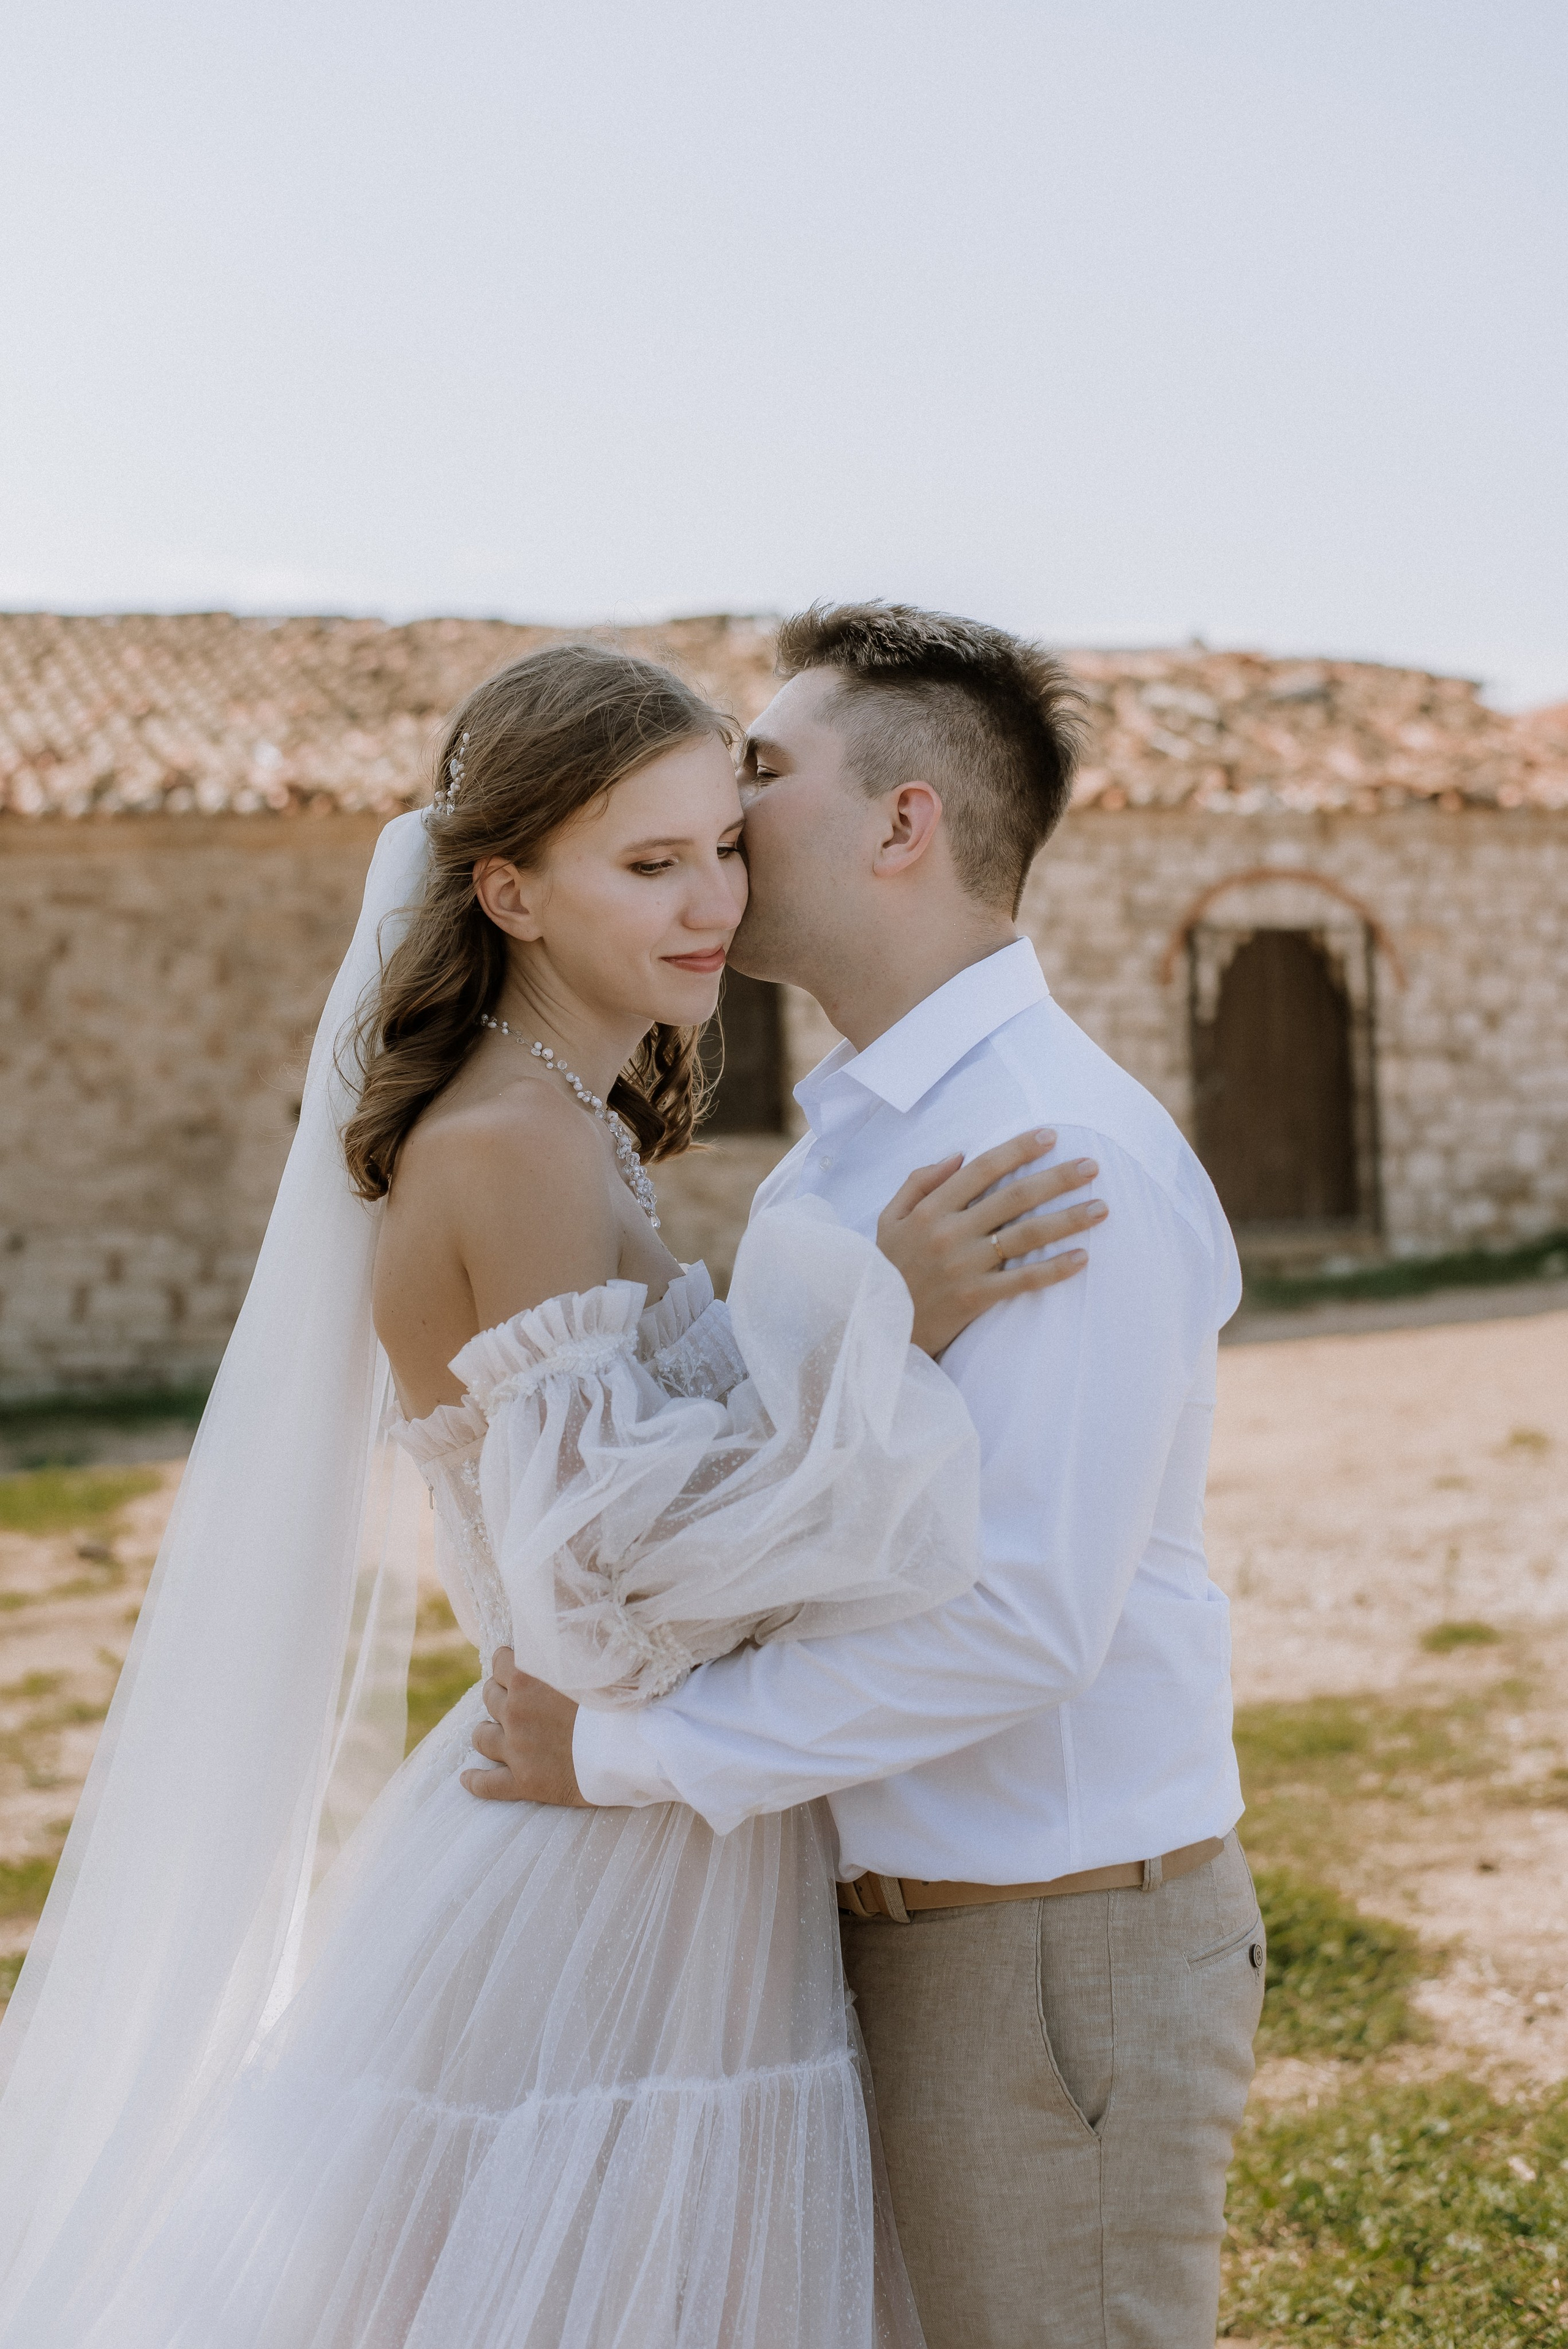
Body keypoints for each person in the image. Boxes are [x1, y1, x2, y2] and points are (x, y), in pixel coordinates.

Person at [0, 641, 1103, 2349]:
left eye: (722, 847)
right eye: (649, 863)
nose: (712, 902)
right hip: (596, 1857)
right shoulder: (508, 1144)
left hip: (659, 1834)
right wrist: (892, 1331)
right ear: (507, 888)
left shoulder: (580, 1123)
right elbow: (604, 1592)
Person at [480, 605, 1265, 2349]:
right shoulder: (854, 1153)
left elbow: (1017, 1623)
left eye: (763, 770)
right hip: (897, 1928)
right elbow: (789, 1513)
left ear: (905, 822)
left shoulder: (1049, 1156)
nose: (728, 811)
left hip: (1050, 1947)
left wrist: (625, 1752)